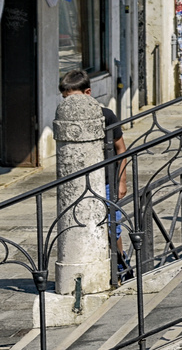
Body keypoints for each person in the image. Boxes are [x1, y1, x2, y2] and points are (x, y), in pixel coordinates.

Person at [60, 69, 128, 274]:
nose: (69, 104)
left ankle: (120, 265)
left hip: (107, 181)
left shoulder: (106, 115)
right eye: (65, 99)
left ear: (88, 93)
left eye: (73, 98)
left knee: (111, 225)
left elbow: (121, 149)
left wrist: (122, 181)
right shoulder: (67, 116)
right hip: (79, 183)